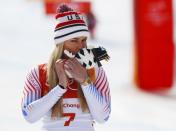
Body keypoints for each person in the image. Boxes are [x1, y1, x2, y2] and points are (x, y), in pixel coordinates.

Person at [21, 3, 111, 131]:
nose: (81, 46)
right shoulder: (38, 73)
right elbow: (29, 116)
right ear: (60, 44)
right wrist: (60, 87)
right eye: (74, 41)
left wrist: (85, 82)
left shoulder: (95, 70)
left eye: (83, 40)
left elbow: (103, 117)